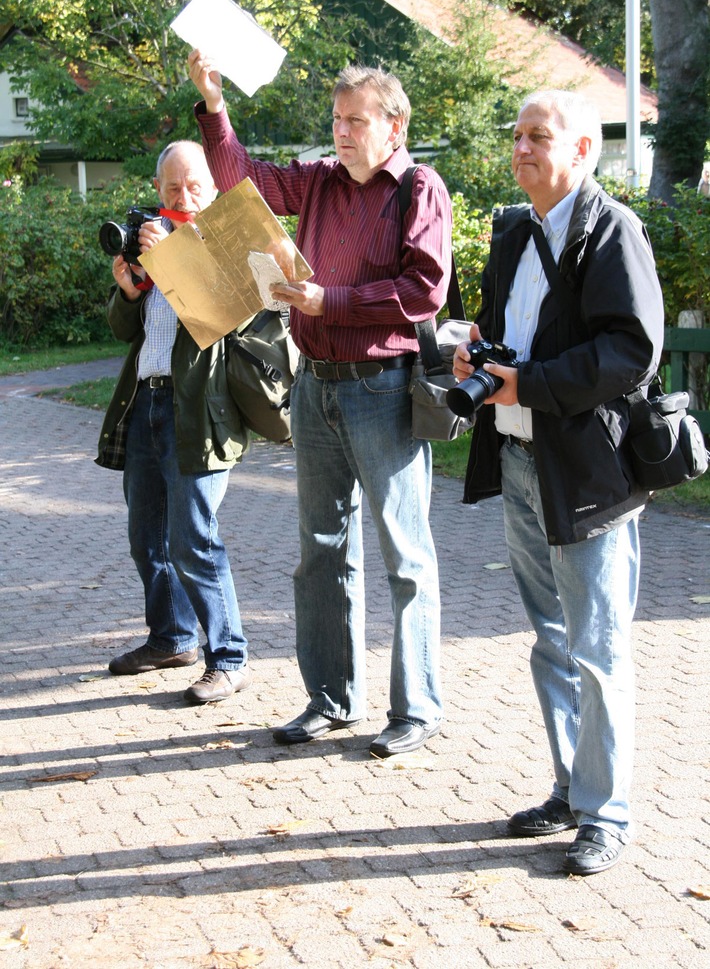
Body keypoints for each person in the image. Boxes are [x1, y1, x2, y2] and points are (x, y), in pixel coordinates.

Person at [188, 51, 452, 758]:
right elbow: (242, 182)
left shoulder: (420, 188)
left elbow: (424, 289)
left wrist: (327, 300)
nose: (342, 131)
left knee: (405, 555)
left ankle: (416, 707)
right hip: (316, 388)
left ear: (394, 127)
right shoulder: (321, 182)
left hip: (383, 390)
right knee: (321, 553)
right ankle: (332, 699)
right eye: (337, 119)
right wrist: (214, 105)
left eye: (356, 120)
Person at [453, 90, 664, 875]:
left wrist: (529, 383)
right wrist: (479, 355)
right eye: (517, 135)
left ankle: (606, 813)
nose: (522, 147)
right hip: (518, 460)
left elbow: (631, 349)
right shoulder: (514, 230)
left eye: (539, 136)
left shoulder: (613, 229)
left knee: (598, 647)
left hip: (586, 472)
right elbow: (511, 331)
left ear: (583, 151)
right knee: (550, 639)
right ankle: (573, 787)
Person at [96, 140, 252, 705]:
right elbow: (123, 329)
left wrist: (173, 260)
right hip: (146, 404)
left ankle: (228, 658)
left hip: (199, 411)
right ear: (158, 187)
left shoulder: (231, 239)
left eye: (193, 186)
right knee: (147, 540)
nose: (182, 196)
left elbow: (220, 318)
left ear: (213, 188)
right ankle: (171, 638)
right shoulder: (150, 235)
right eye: (172, 187)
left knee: (194, 540)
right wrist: (127, 288)